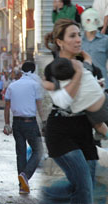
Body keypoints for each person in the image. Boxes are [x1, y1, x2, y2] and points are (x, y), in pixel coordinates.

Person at [42, 19, 99, 203]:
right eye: (72, 36)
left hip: (84, 129)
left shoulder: (89, 66)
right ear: (60, 42)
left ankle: (49, 195)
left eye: (79, 35)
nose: (78, 40)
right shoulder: (54, 68)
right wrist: (80, 74)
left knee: (85, 185)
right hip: (61, 131)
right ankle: (48, 196)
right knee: (84, 190)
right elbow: (64, 101)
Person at [43, 57, 108, 140]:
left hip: (90, 107)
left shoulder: (63, 86)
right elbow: (88, 59)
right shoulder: (84, 70)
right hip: (102, 98)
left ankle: (102, 133)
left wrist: (44, 81)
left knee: (98, 125)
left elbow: (47, 85)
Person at [3, 61, 44, 194]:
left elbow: (7, 107)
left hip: (16, 124)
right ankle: (25, 175)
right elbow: (39, 105)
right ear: (33, 71)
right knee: (38, 151)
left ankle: (22, 186)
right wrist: (44, 122)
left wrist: (7, 124)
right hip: (30, 123)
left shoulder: (12, 86)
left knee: (20, 154)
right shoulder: (35, 85)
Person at [81, 8, 108, 92]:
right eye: (88, 20)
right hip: (83, 87)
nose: (92, 22)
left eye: (95, 20)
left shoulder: (105, 40)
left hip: (102, 86)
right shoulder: (78, 41)